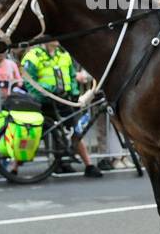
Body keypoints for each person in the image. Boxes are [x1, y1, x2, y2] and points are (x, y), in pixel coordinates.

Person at [20, 41, 102, 177]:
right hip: (44, 102)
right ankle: (15, 167)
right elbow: (29, 81)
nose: (57, 40)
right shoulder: (33, 56)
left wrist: (75, 94)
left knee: (76, 131)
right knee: (36, 134)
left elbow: (71, 77)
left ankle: (88, 165)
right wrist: (48, 91)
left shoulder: (64, 55)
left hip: (64, 100)